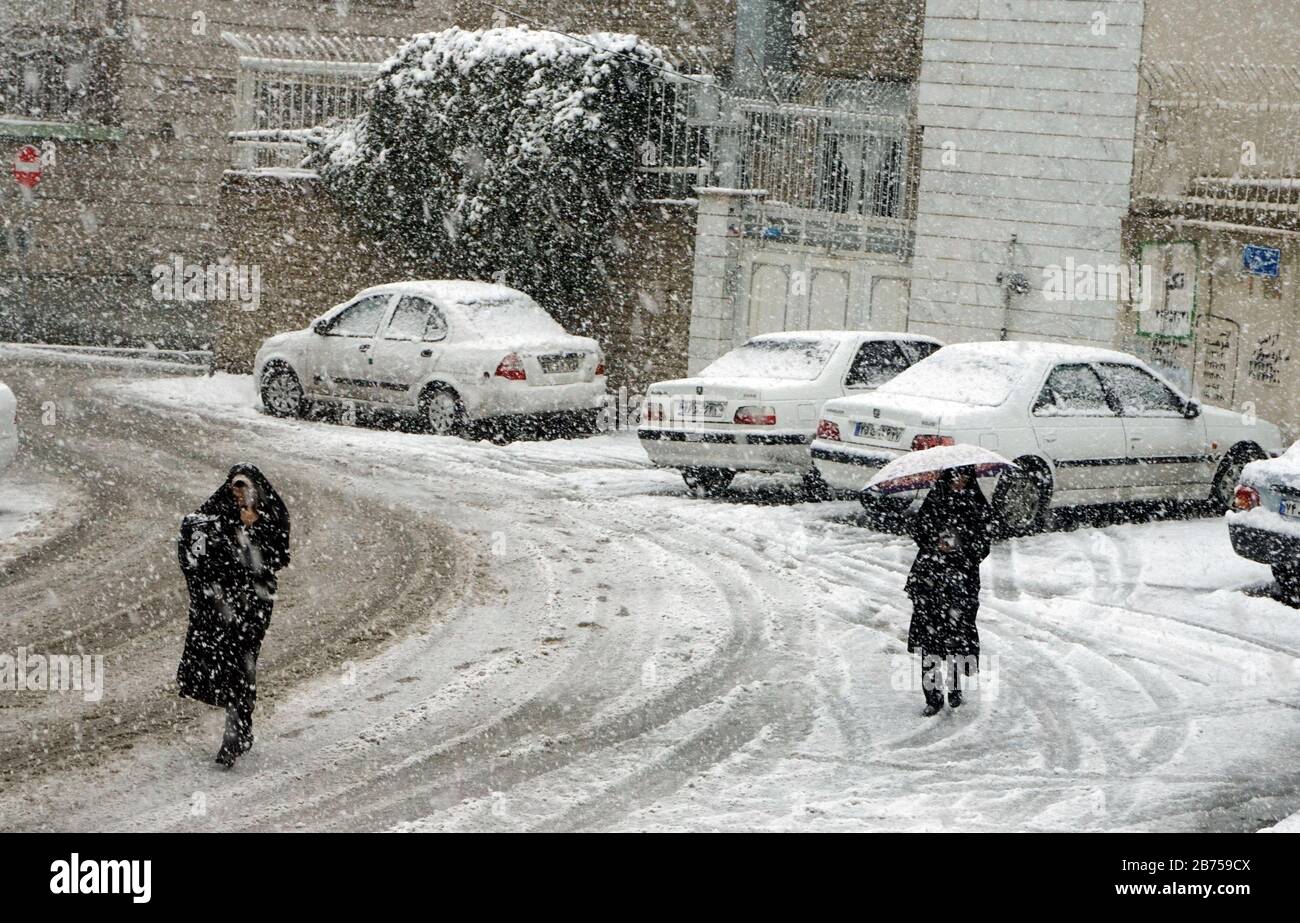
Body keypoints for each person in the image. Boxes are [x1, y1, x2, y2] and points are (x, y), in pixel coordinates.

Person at [176, 464, 290, 767]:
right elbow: (194, 533)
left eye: (244, 488)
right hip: (223, 602)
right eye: (234, 487)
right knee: (226, 662)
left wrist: (254, 530)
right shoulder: (219, 510)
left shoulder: (273, 515)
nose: (238, 494)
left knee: (243, 661)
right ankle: (239, 726)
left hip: (255, 601)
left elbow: (277, 557)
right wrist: (227, 530)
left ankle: (237, 733)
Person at [905, 465, 994, 717]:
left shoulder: (976, 505)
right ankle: (933, 697)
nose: (960, 482)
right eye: (955, 477)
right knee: (929, 640)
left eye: (965, 478)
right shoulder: (935, 500)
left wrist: (961, 543)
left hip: (961, 581)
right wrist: (936, 541)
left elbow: (983, 546)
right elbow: (919, 531)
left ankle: (955, 687)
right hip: (931, 580)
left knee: (957, 637)